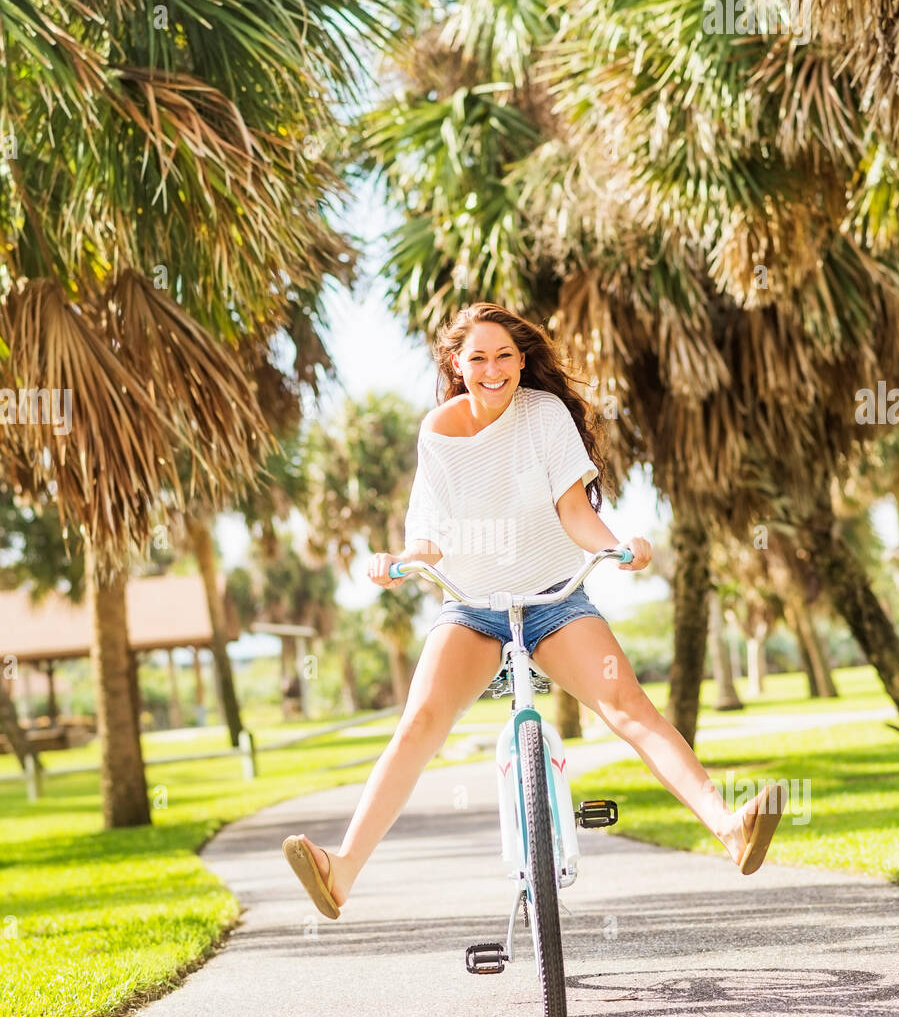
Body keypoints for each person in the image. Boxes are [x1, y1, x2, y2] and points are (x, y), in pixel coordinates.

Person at [282, 302, 786, 919]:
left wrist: (618, 547)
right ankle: (341, 872)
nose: (493, 369)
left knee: (628, 706)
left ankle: (729, 827)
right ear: (456, 364)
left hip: (553, 596)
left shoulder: (544, 414)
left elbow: (574, 511)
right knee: (418, 725)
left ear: (521, 361)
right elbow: (429, 536)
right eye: (478, 358)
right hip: (471, 607)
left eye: (504, 356)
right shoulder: (437, 431)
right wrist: (398, 561)